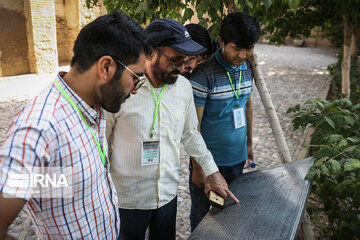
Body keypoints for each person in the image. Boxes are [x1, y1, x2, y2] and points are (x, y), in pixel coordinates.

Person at [0, 11, 151, 239]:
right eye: (136, 78)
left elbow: (57, 186)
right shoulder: (39, 129)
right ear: (106, 68)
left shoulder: (94, 105)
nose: (135, 90)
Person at [106, 18, 238, 240]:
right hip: (127, 201)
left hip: (167, 196)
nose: (185, 66)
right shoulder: (122, 89)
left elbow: (190, 133)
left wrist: (211, 172)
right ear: (150, 53)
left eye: (186, 59)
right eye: (175, 59)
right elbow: (101, 144)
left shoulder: (184, 88)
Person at [189, 12, 261, 231]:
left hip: (237, 159)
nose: (243, 54)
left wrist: (248, 144)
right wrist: (199, 167)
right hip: (210, 164)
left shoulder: (247, 68)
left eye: (249, 49)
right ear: (221, 41)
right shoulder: (203, 74)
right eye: (237, 48)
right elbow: (194, 126)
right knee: (203, 219)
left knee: (231, 215)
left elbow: (247, 105)